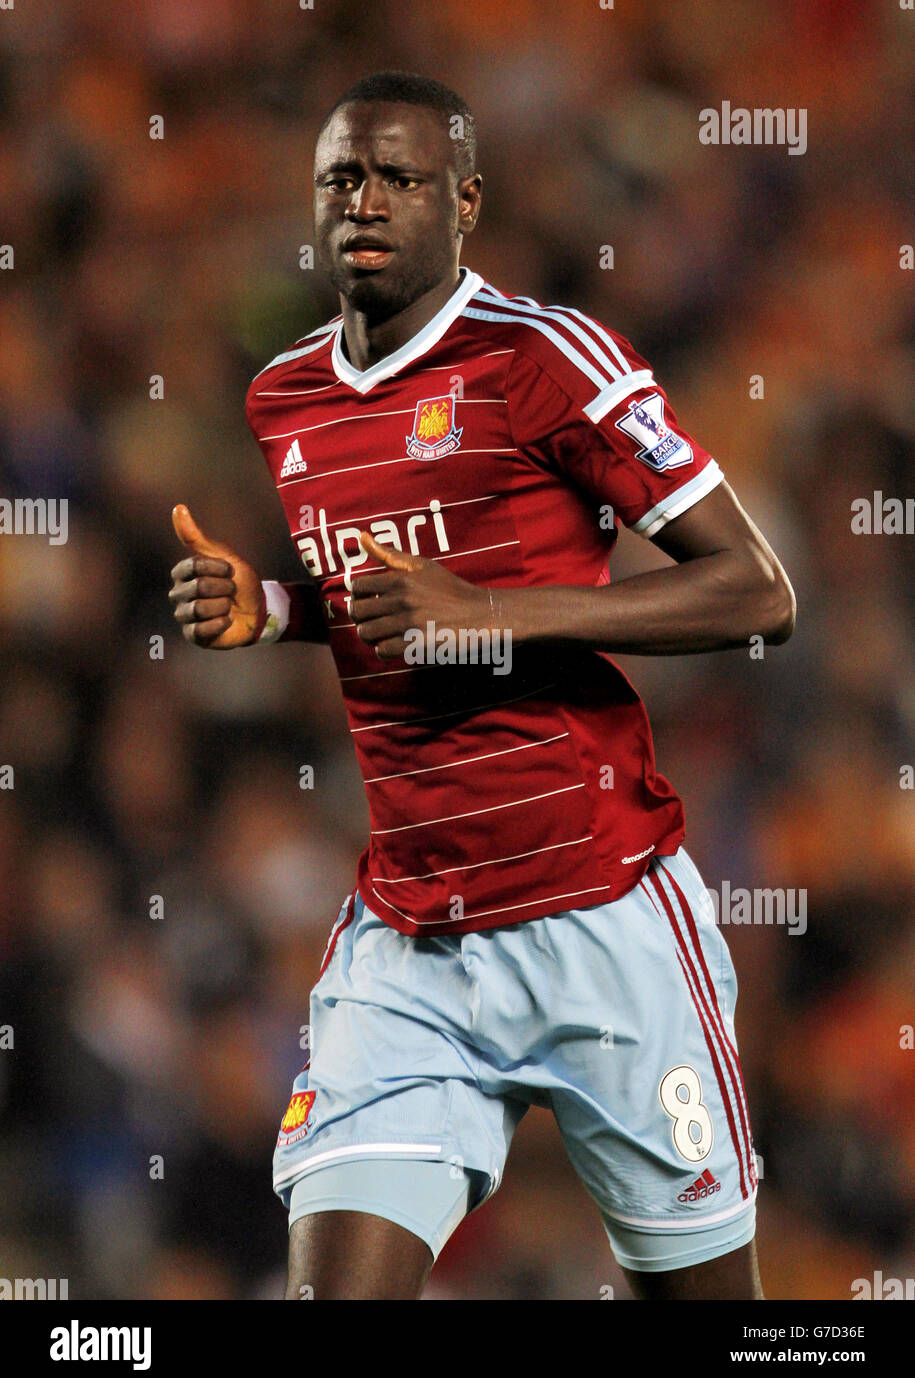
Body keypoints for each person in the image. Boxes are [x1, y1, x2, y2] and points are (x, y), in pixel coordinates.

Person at [168, 70, 795, 1300]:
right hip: (411, 942)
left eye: (400, 177)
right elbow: (389, 607)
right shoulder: (281, 396)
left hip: (604, 920)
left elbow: (757, 590)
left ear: (464, 202)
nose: (367, 200)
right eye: (342, 177)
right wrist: (281, 611)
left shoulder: (545, 358)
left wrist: (494, 617)